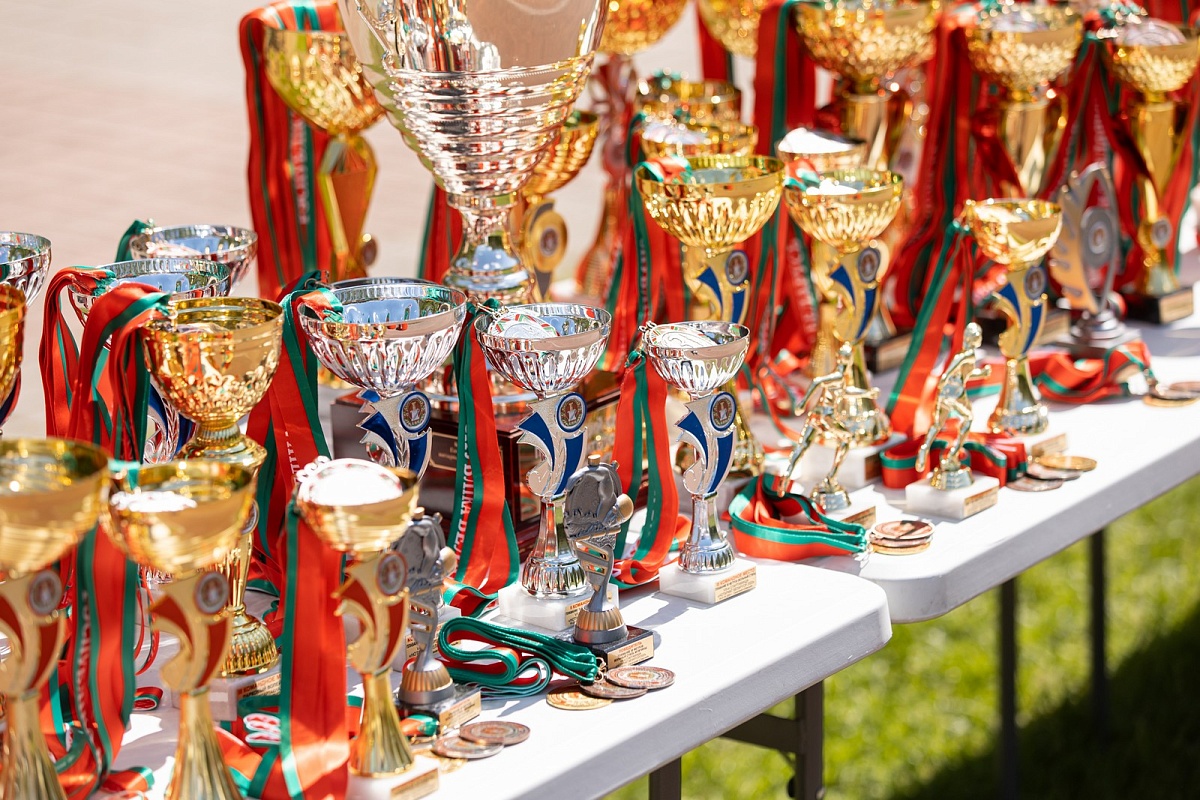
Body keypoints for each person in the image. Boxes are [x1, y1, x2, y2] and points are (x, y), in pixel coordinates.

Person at [916, 323, 991, 483]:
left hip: (946, 393)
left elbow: (965, 375)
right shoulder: (967, 355)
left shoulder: (966, 354)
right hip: (955, 393)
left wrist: (982, 373)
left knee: (937, 425)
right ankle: (954, 451)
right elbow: (950, 371)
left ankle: (925, 448)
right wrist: (946, 383)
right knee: (968, 419)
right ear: (974, 339)